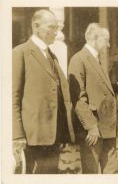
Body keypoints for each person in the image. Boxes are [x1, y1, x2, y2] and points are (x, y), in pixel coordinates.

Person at [12, 9, 75, 174]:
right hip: (33, 137)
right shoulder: (21, 53)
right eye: (51, 27)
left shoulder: (51, 56)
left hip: (54, 135)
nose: (55, 32)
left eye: (57, 28)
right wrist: (17, 135)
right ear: (36, 26)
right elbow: (13, 97)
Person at [68, 23, 118, 174]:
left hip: (107, 128)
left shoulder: (95, 59)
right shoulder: (78, 59)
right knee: (91, 173)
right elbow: (78, 97)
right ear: (94, 38)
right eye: (106, 40)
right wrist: (91, 126)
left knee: (112, 172)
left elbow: (100, 89)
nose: (109, 44)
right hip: (94, 130)